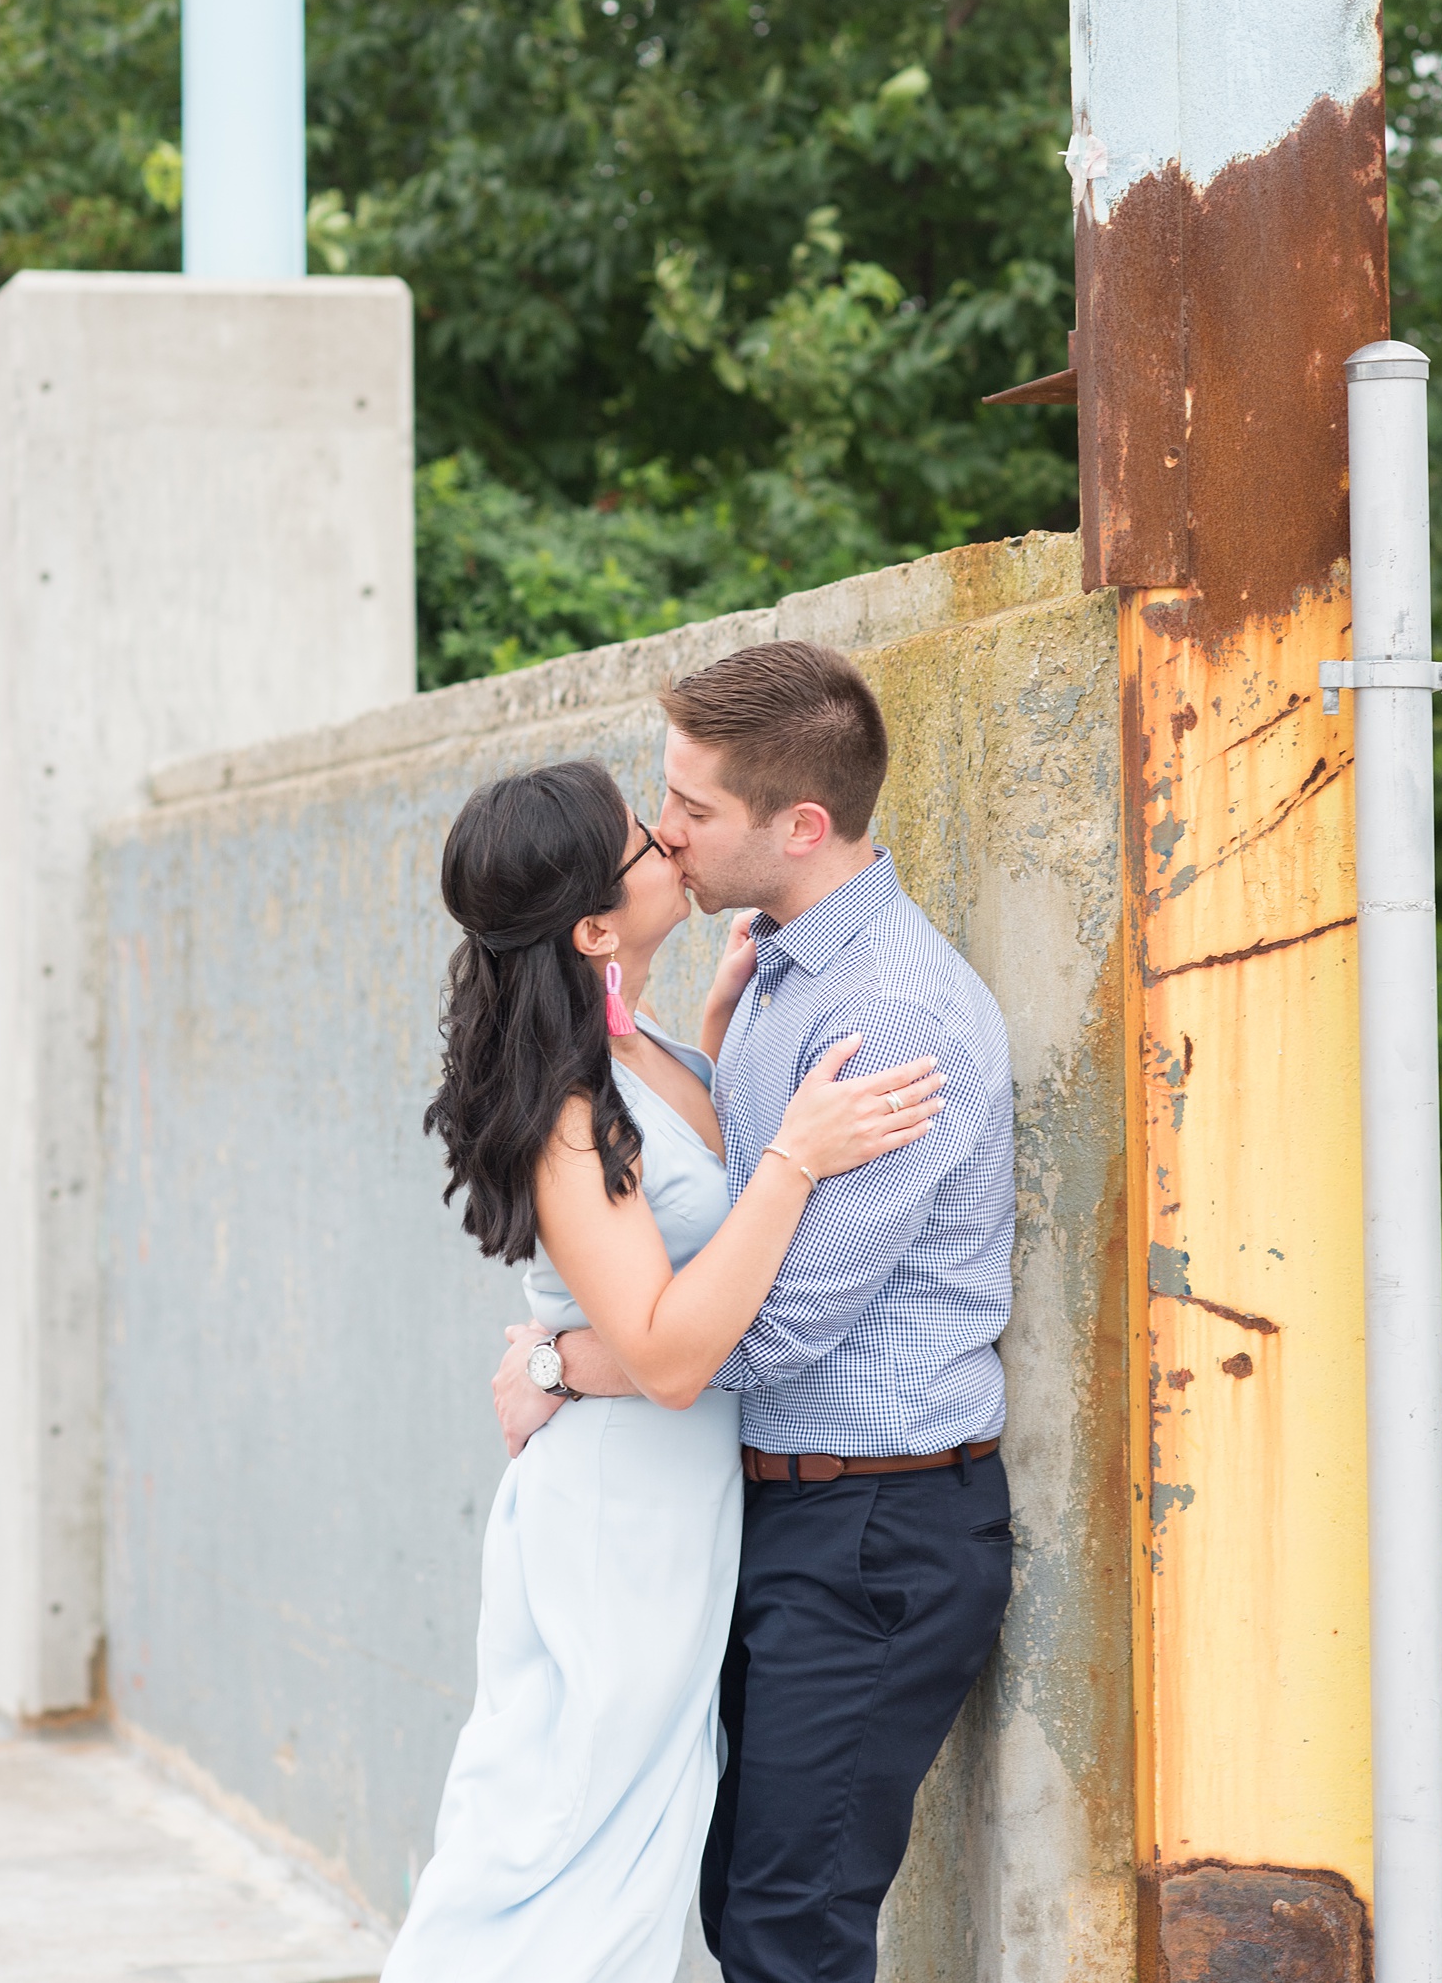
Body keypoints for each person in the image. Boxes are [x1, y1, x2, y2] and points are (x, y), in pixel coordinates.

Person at [494, 640, 1017, 1983]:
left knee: (788, 1925)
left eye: (694, 807)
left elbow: (770, 1329)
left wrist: (563, 1359)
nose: (665, 828)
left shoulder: (893, 1016)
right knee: (742, 1901)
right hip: (785, 1514)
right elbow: (713, 1209)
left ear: (801, 824)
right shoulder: (778, 968)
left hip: (875, 1533)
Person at [383, 756, 944, 1983]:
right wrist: (794, 1153)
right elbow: (674, 1349)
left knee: (632, 1823)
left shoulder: (634, 1056)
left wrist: (713, 1046)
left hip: (669, 1501)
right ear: (593, 926)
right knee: (562, 1825)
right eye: (645, 843)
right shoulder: (567, 1110)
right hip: (615, 1514)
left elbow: (675, 1238)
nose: (672, 846)